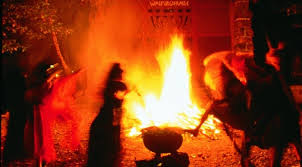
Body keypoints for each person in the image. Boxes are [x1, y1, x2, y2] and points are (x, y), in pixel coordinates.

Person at [87, 63, 128, 167]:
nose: (123, 75)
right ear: (118, 74)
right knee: (111, 145)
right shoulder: (119, 85)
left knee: (104, 149)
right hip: (110, 117)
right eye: (121, 73)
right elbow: (121, 95)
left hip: (103, 117)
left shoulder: (110, 84)